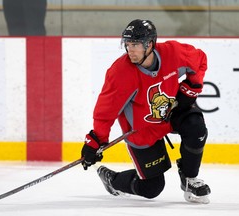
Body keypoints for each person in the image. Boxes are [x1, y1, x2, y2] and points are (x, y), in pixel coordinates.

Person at [81, 19, 211, 203]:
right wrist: (95, 141)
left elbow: (200, 60)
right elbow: (105, 112)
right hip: (142, 131)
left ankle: (190, 179)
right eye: (127, 44)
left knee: (196, 128)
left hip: (171, 113)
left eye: (135, 44)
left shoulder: (173, 53)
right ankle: (112, 180)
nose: (130, 50)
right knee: (152, 188)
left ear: (149, 44)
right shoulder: (120, 73)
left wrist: (191, 89)